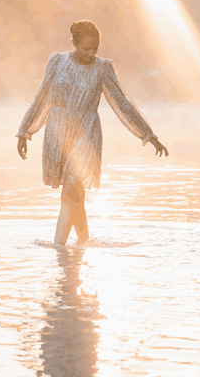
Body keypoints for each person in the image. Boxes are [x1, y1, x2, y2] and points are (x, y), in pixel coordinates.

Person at [17, 20, 169, 245]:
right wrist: (25, 131)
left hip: (86, 133)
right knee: (76, 196)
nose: (91, 53)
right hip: (58, 132)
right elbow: (42, 97)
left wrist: (149, 135)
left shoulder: (103, 67)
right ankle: (83, 245)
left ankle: (58, 247)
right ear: (74, 43)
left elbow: (123, 103)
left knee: (71, 189)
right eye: (86, 48)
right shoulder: (57, 61)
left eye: (95, 48)